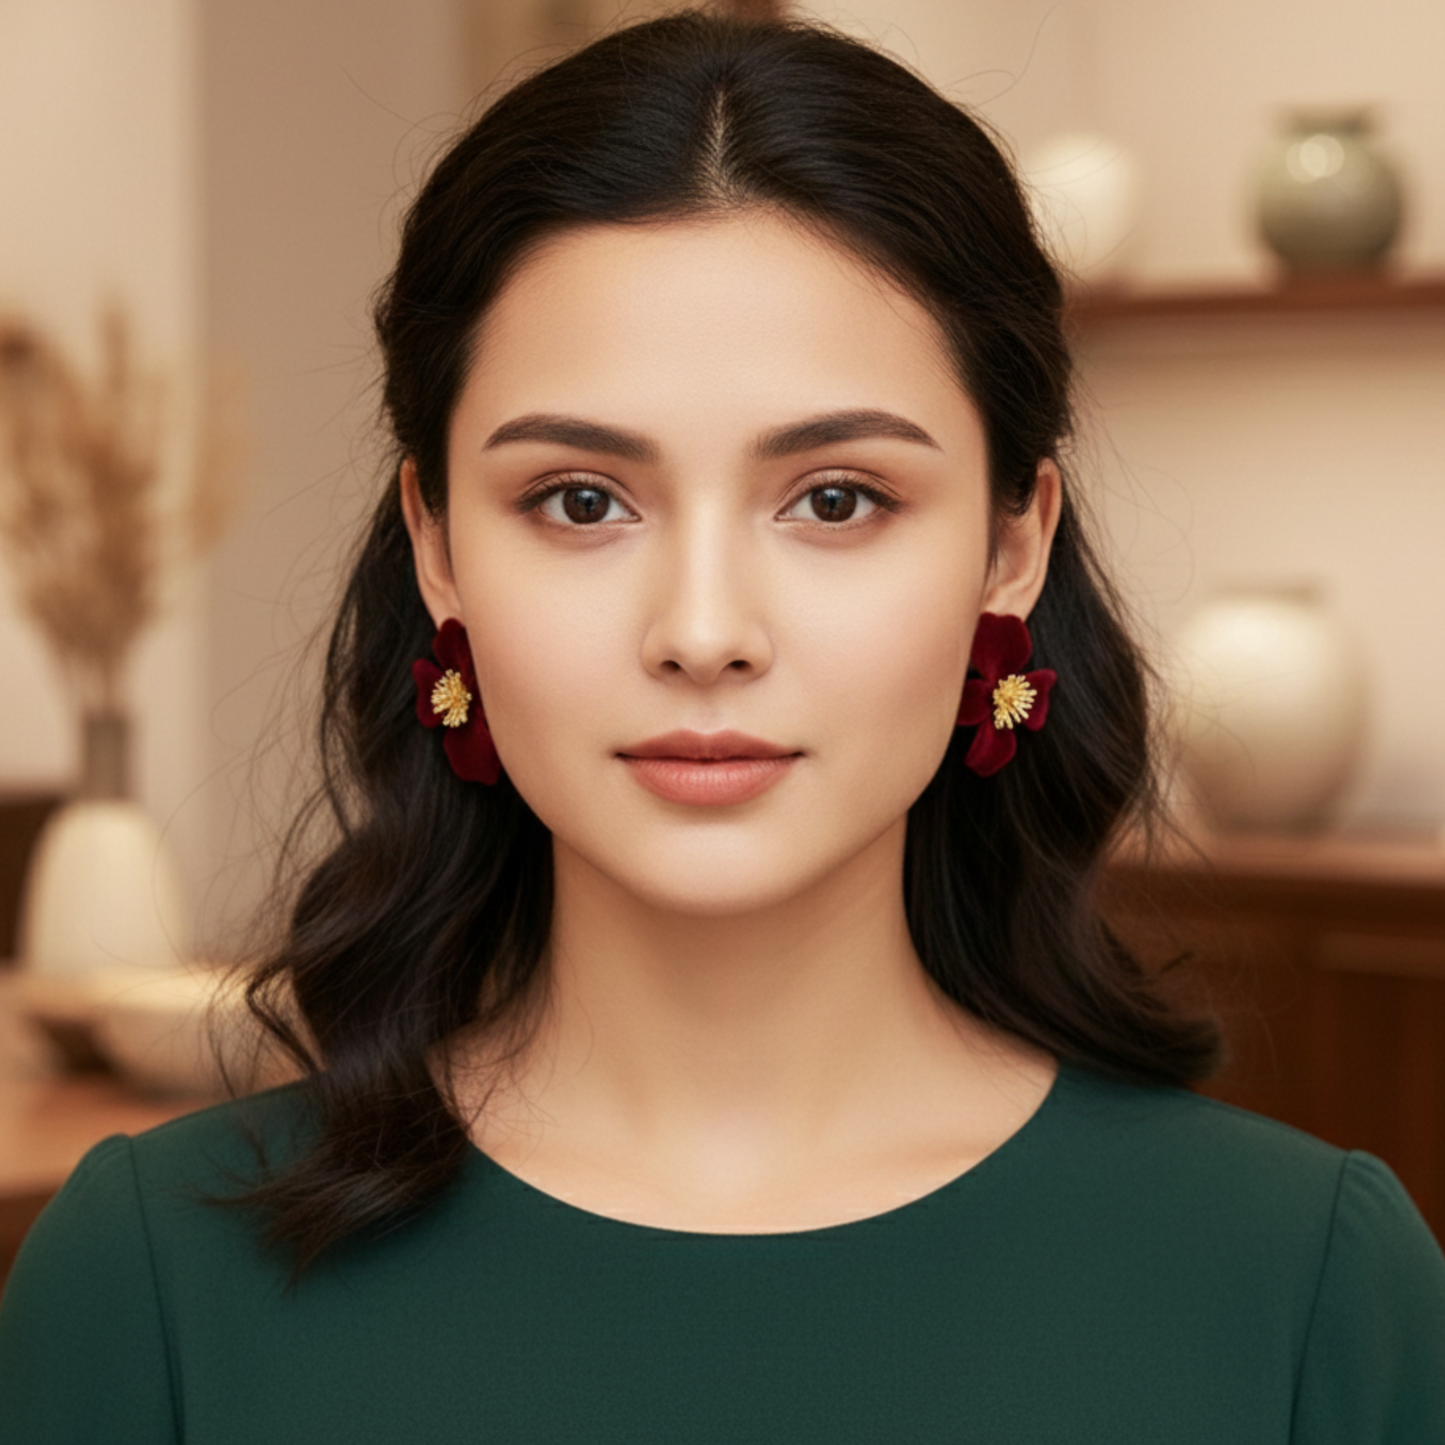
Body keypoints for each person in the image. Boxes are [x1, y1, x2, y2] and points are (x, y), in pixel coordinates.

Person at [2, 10, 1442, 1441]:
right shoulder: (152, 1283)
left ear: (1016, 545)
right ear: (436, 545)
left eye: (835, 499)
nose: (702, 631)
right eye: (581, 500)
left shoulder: (1305, 1288)